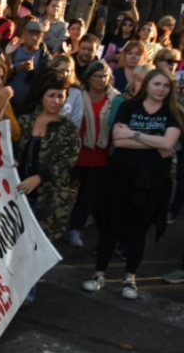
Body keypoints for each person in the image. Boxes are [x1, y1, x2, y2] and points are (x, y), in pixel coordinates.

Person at [83, 69, 181, 299]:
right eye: (156, 84)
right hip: (121, 176)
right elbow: (118, 140)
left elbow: (168, 143)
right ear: (147, 85)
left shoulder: (173, 113)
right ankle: (99, 274)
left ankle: (130, 279)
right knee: (111, 225)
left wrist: (134, 135)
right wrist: (155, 143)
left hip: (152, 181)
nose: (161, 89)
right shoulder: (129, 107)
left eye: (166, 85)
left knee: (139, 229)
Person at [15, 72, 81, 243]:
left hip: (50, 199)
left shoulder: (68, 128)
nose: (56, 101)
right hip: (20, 192)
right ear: (41, 96)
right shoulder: (25, 121)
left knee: (40, 245)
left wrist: (39, 177)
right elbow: (11, 149)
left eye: (61, 96)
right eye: (51, 96)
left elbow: (68, 161)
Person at [65, 61, 118, 248]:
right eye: (97, 76)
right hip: (76, 152)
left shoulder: (115, 99)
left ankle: (75, 229)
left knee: (87, 195)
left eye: (105, 76)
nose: (101, 80)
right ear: (88, 77)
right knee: (63, 191)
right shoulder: (77, 95)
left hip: (99, 154)